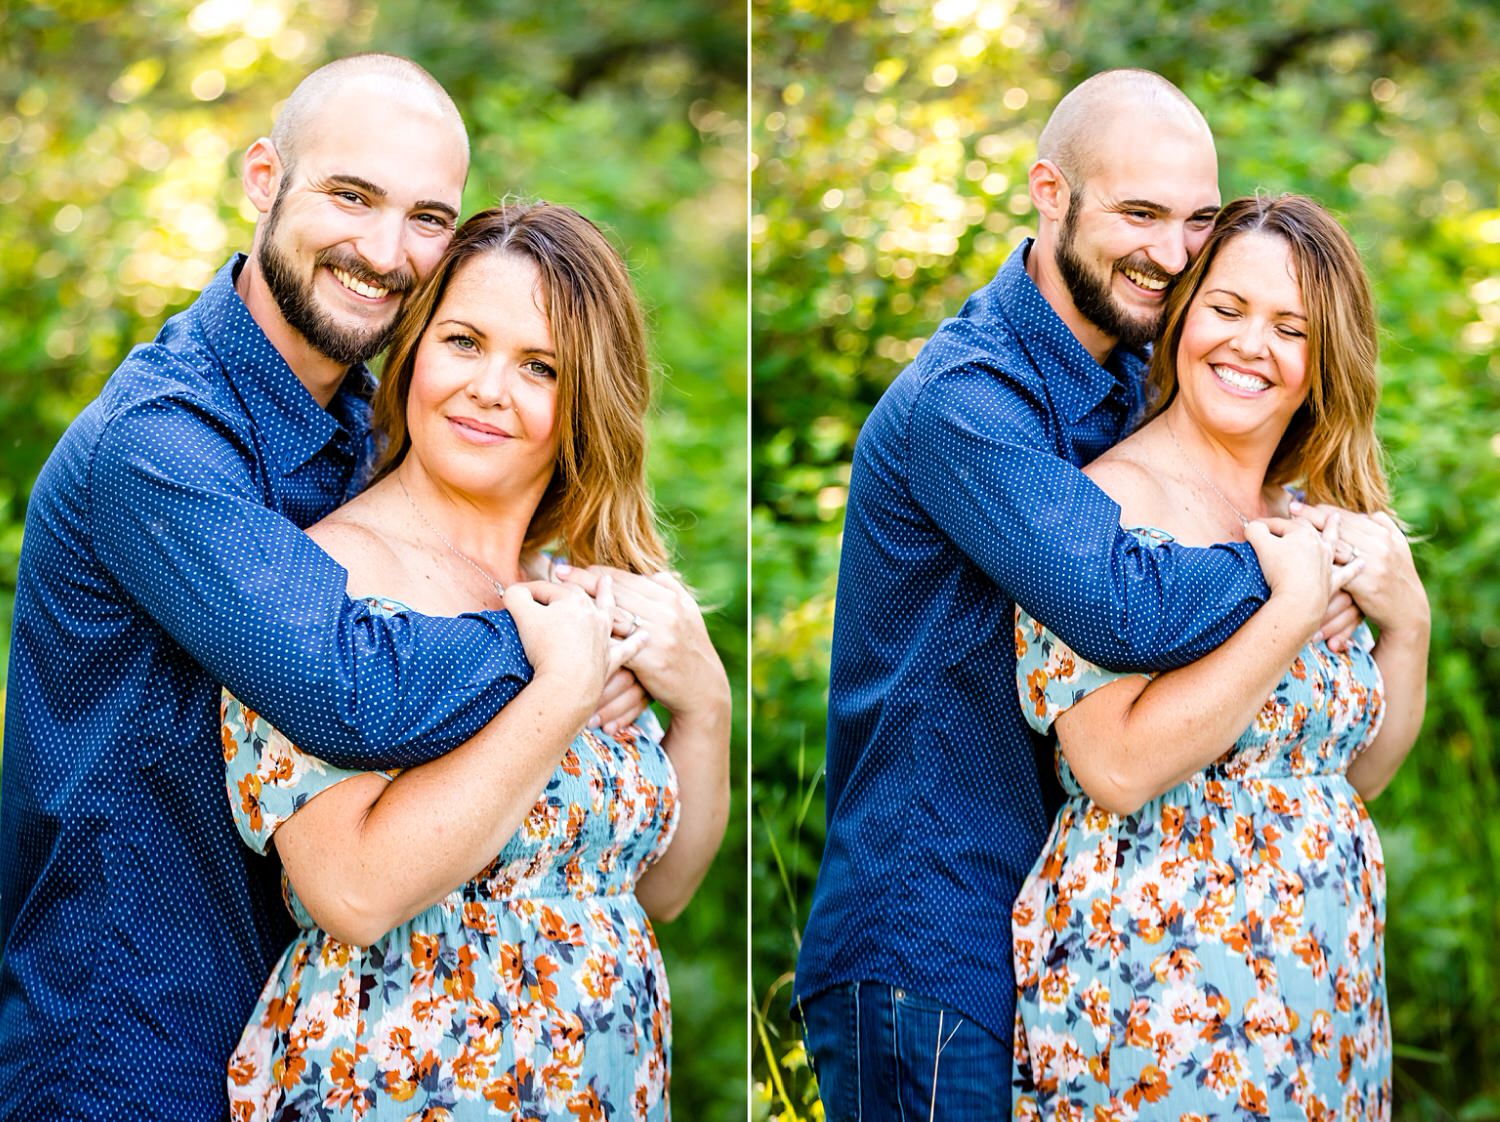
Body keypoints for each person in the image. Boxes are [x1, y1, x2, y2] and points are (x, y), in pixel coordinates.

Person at [0, 55, 641, 1117]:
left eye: (427, 218)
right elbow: (352, 684)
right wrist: (560, 646)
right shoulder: (158, 443)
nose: (385, 252)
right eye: (352, 195)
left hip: (288, 1035)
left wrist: (613, 635)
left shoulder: (359, 428)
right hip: (122, 1044)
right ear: (264, 180)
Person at [794, 70, 1381, 1120]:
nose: (1172, 250)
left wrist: (1367, 575)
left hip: (1050, 938)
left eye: (1197, 220)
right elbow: (1121, 604)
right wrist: (1298, 567)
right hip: (929, 941)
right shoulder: (967, 401)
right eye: (1140, 213)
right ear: (1050, 192)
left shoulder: (1127, 368)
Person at [220, 201, 731, 1120]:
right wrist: (562, 695)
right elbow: (350, 890)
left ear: (586, 399)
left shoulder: (582, 585)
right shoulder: (325, 578)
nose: (491, 388)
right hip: (407, 1082)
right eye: (463, 341)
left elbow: (657, 886)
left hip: (603, 1083)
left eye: (540, 366)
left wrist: (704, 707)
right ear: (412, 353)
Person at [1010, 194, 1427, 1118]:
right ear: (1185, 312)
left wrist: (1407, 624)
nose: (1250, 345)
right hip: (1168, 983)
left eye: (1292, 328)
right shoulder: (1108, 508)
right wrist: (1288, 616)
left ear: (1327, 362)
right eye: (1228, 309)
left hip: (1325, 979)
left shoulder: (1310, 509)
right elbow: (1113, 767)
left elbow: (1352, 773)